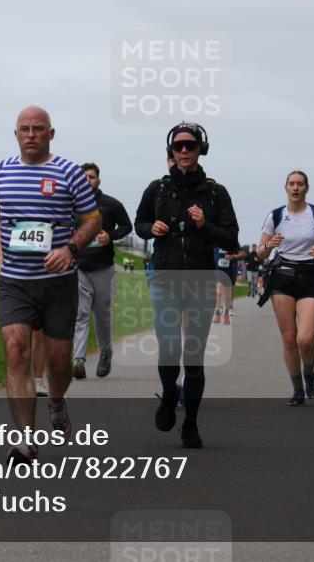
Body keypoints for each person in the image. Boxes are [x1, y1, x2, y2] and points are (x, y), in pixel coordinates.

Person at [0, 106, 101, 464]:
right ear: (16, 134)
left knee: (59, 362)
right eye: (24, 129)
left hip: (57, 281)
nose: (31, 135)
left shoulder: (69, 173)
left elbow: (92, 218)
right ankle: (24, 441)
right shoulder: (1, 170)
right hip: (14, 280)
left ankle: (56, 402)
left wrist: (71, 248)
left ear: (51, 134)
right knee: (16, 351)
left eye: (38, 129)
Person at [134, 122, 239, 448]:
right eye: (178, 146)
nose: (183, 151)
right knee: (169, 348)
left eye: (189, 145)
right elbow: (139, 224)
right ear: (171, 150)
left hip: (201, 280)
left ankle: (191, 423)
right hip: (164, 278)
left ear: (200, 149)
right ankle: (169, 394)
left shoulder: (215, 193)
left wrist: (203, 224)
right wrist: (154, 228)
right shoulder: (157, 189)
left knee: (193, 357)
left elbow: (231, 236)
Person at [257, 171, 314, 406]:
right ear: (286, 187)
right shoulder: (276, 216)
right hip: (282, 276)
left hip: (309, 275)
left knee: (305, 339)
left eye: (300, 184)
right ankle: (297, 389)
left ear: (306, 188)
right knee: (290, 339)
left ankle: (309, 372)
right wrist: (268, 246)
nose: (295, 188)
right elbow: (261, 252)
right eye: (291, 184)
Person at [72, 162, 133, 379]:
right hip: (79, 266)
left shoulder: (111, 204)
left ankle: (106, 351)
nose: (87, 180)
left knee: (102, 315)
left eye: (91, 177)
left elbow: (127, 226)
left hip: (103, 267)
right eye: (84, 177)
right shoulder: (71, 204)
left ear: (98, 181)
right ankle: (78, 360)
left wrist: (110, 236)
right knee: (80, 313)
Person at [0, 239, 49, 396]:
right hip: (15, 276)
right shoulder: (7, 214)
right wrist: (1, 262)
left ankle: (38, 379)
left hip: (44, 273)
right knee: (16, 340)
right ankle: (23, 380)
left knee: (39, 334)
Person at [213, 245, 245, 324]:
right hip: (218, 271)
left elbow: (242, 254)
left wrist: (233, 257)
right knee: (219, 293)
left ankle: (226, 314)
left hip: (230, 271)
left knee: (228, 295)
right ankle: (217, 314)